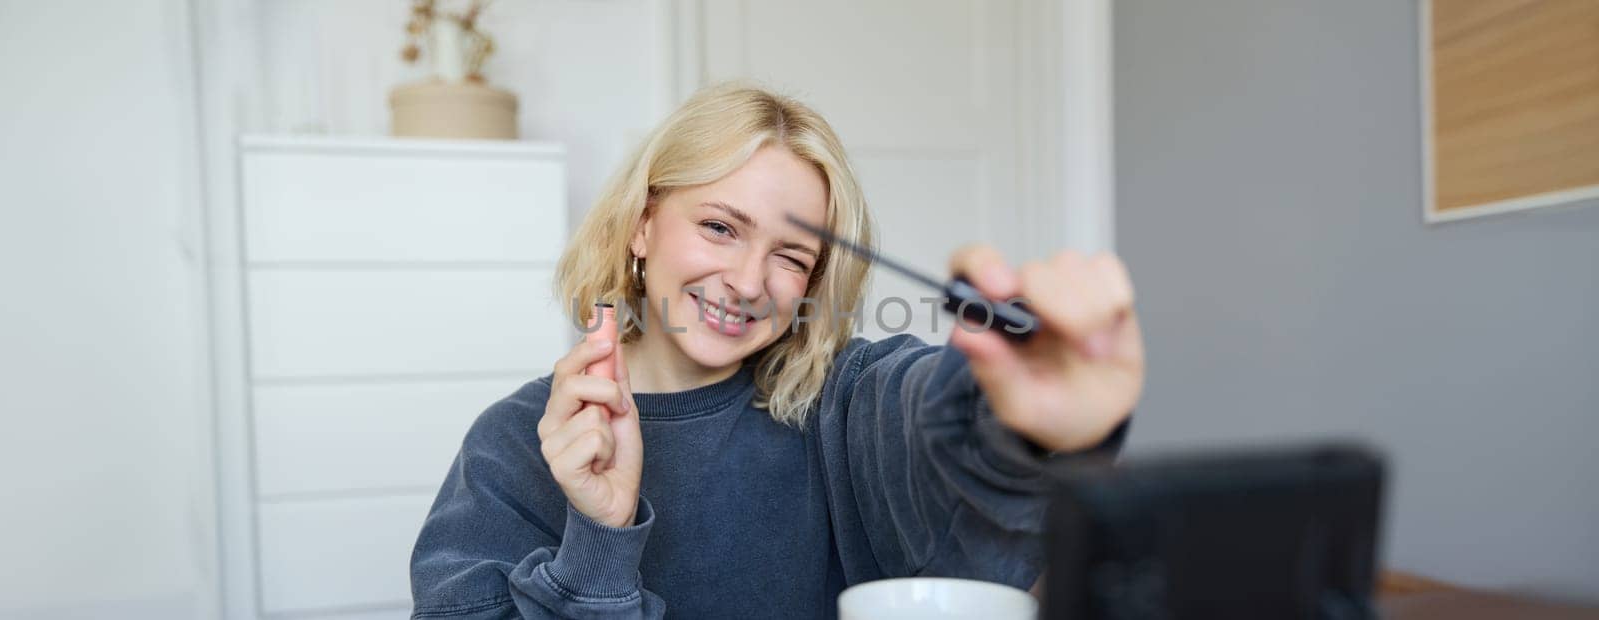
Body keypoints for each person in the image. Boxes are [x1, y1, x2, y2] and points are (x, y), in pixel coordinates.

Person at [409, 82, 1144, 619]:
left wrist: (1023, 417)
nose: (748, 281)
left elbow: (938, 418)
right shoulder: (509, 447)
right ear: (641, 224)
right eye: (721, 228)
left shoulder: (844, 401)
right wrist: (599, 538)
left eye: (791, 256)